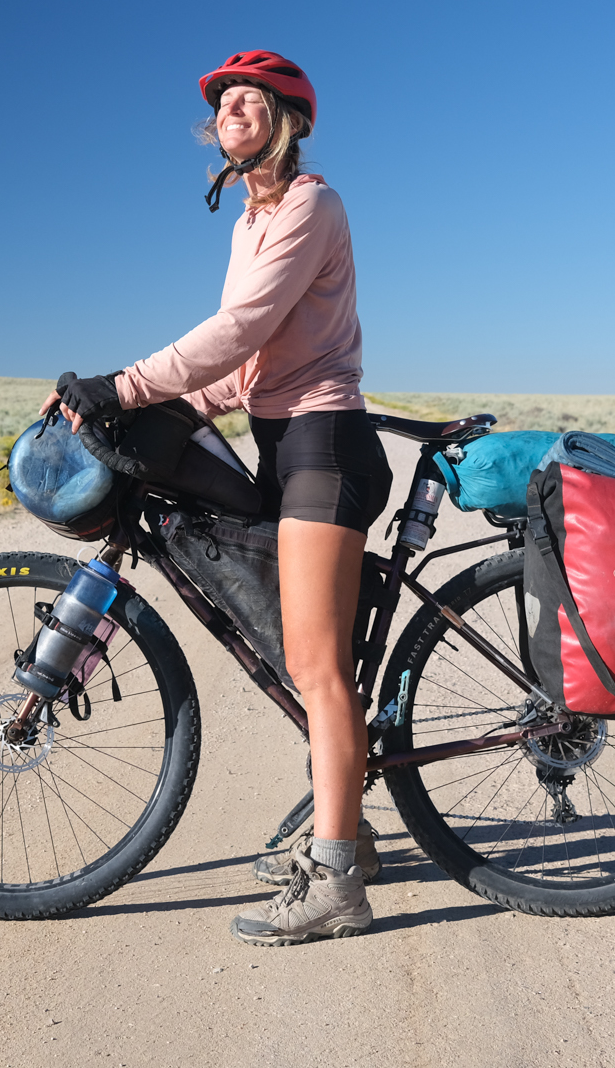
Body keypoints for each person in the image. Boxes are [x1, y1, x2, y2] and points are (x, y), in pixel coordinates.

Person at [45, 50, 392, 946]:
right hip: (282, 446)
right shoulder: (248, 222)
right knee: (303, 656)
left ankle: (341, 884)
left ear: (286, 120)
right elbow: (241, 367)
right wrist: (149, 408)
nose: (231, 111)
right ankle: (345, 828)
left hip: (324, 446)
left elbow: (240, 328)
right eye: (224, 103)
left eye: (250, 100)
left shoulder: (313, 204)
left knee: (318, 670)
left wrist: (124, 385)